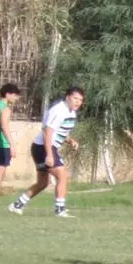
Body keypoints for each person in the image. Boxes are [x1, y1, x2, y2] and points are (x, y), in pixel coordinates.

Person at [9, 85, 83, 217]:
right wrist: (49, 154)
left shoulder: (71, 112)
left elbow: (60, 130)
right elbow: (47, 132)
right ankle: (60, 210)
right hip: (43, 147)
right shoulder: (59, 110)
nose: (78, 102)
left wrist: (70, 140)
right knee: (63, 176)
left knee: (43, 183)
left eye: (80, 100)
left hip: (42, 148)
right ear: (67, 98)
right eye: (75, 98)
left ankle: (17, 205)